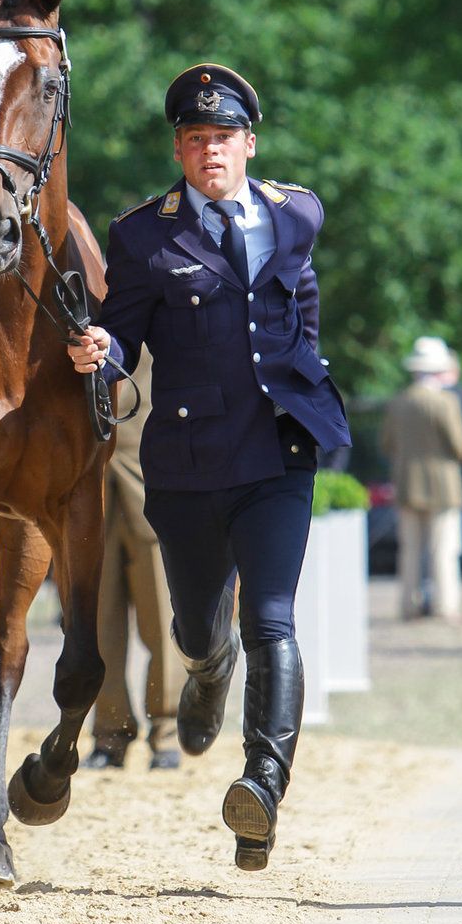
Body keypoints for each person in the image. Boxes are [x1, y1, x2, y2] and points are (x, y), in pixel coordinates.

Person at [67, 63, 350, 872]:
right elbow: (120, 334)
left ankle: (261, 787)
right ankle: (204, 666)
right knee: (198, 625)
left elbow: (303, 307)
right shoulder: (144, 235)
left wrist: (308, 378)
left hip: (277, 451)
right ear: (181, 151)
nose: (209, 151)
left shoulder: (296, 213)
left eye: (223, 137)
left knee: (271, 619)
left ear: (248, 143)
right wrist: (101, 351)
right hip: (189, 465)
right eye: (195, 140)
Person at [83, 346, 187, 771]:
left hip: (152, 486)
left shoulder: (153, 292)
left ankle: (166, 732)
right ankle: (109, 733)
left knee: (163, 622)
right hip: (90, 494)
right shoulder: (76, 300)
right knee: (98, 626)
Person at [381, 336, 462, 623]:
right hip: (444, 484)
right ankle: (445, 605)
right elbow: (459, 444)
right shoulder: (446, 401)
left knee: (410, 549)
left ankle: (409, 604)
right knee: (443, 548)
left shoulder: (398, 401)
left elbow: (387, 443)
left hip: (406, 482)